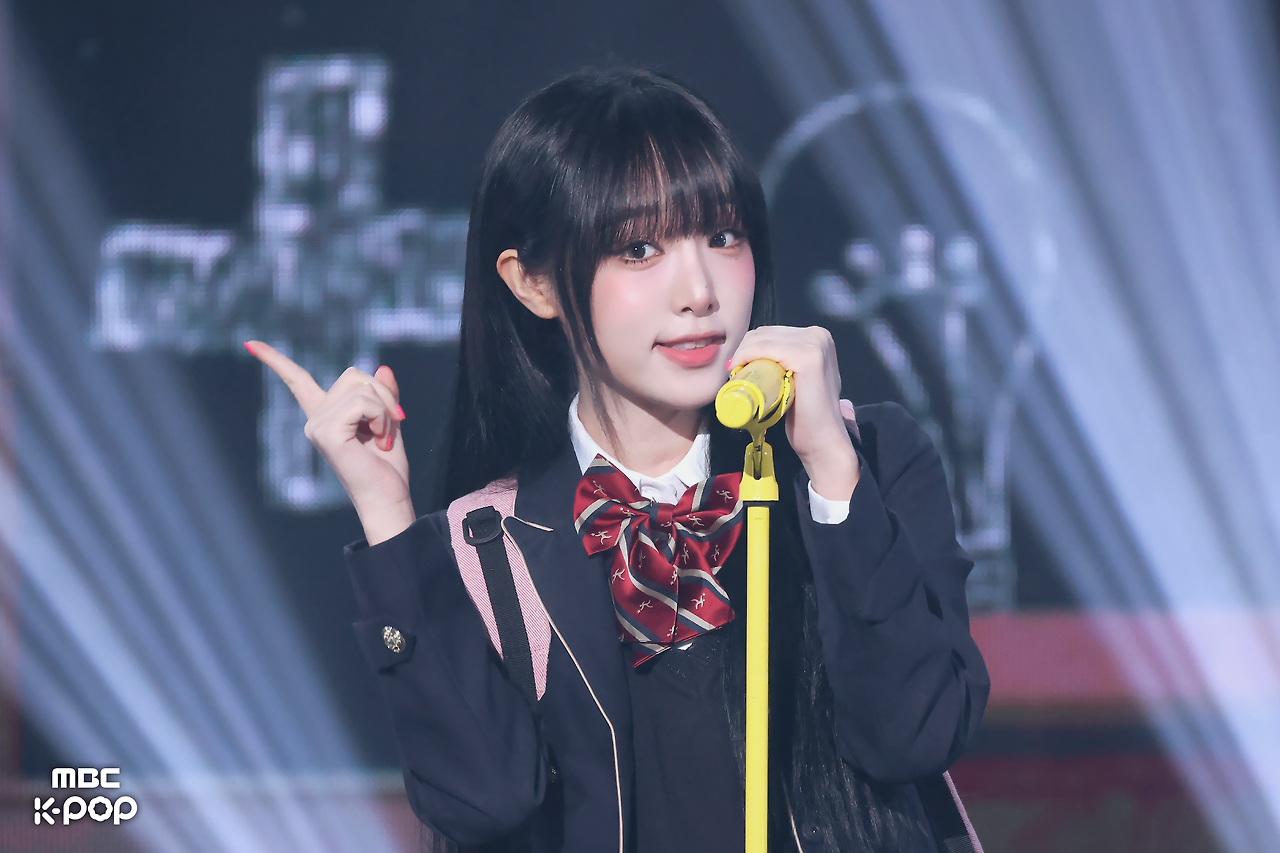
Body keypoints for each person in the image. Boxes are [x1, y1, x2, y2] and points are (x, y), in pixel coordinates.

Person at [250, 68, 988, 853]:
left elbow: (914, 735)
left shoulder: (865, 459)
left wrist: (833, 477)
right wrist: (388, 517)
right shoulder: (488, 545)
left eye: (723, 236)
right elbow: (483, 803)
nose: (698, 290)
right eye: (640, 248)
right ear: (533, 283)